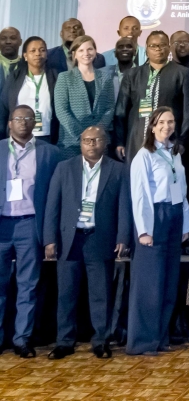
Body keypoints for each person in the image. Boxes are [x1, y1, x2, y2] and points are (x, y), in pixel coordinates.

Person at [43, 126, 128, 359]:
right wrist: (49, 239)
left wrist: (122, 237)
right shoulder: (64, 168)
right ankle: (64, 341)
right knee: (66, 294)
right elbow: (52, 206)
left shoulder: (118, 170)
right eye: (87, 140)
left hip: (99, 238)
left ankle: (100, 340)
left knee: (101, 294)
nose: (91, 144)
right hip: (69, 239)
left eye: (97, 140)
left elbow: (124, 207)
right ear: (80, 143)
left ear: (106, 143)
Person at [126, 107, 189, 356]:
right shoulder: (143, 156)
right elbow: (140, 196)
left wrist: (186, 226)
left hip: (174, 219)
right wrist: (144, 230)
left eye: (171, 121)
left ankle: (160, 337)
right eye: (162, 122)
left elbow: (182, 191)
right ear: (152, 126)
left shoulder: (173, 153)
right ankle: (143, 341)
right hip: (154, 220)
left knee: (168, 283)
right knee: (150, 285)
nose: (167, 126)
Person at [0, 105, 62, 357]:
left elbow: (54, 198)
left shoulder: (50, 153)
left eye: (28, 118)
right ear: (9, 123)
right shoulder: (0, 148)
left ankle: (21, 339)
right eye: (18, 118)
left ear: (35, 123)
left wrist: (49, 236)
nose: (23, 122)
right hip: (2, 224)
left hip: (30, 224)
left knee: (28, 285)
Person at [113, 30, 189, 162]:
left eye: (162, 45)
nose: (158, 49)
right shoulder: (132, 75)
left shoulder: (182, 74)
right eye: (153, 46)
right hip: (136, 139)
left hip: (169, 140)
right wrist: (119, 141)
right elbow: (121, 110)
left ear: (169, 48)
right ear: (146, 49)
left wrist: (181, 141)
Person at [54, 35, 115, 156]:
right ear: (74, 54)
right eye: (81, 50)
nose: (86, 53)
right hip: (72, 143)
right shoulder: (64, 77)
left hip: (100, 142)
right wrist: (83, 135)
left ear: (95, 52)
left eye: (90, 49)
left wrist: (96, 133)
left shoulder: (106, 78)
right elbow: (61, 110)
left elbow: (110, 107)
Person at [1, 36, 57, 143]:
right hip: (18, 136)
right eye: (33, 50)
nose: (38, 54)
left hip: (47, 135)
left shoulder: (56, 76)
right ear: (25, 56)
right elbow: (4, 107)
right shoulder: (14, 77)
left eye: (42, 50)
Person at [108, 36, 138, 100]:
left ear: (135, 52)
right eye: (120, 47)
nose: (125, 49)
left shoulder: (142, 73)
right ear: (115, 53)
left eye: (129, 46)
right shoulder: (105, 74)